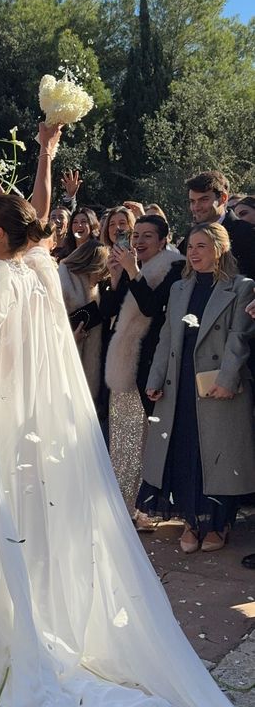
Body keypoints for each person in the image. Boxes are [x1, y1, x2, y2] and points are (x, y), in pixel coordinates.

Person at [0, 96, 255, 707]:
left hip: (2, 439)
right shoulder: (36, 266)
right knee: (49, 538)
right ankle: (43, 629)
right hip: (50, 436)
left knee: (6, 541)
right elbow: (35, 211)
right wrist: (43, 148)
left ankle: (22, 646)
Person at [138, 222, 255, 552]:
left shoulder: (242, 287)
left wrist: (227, 379)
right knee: (185, 451)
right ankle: (191, 521)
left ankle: (218, 523)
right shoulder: (179, 287)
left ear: (219, 248)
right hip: (181, 384)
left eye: (201, 245)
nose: (193, 252)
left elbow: (239, 337)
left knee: (216, 454)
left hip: (217, 384)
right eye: (190, 245)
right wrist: (156, 378)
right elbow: (166, 338)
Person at [104, 216, 182, 526]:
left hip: (150, 364)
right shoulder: (129, 267)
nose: (139, 240)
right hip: (121, 362)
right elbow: (106, 311)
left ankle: (143, 508)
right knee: (121, 439)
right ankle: (120, 505)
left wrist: (133, 271)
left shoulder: (173, 267)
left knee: (145, 441)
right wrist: (114, 278)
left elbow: (152, 306)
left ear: (163, 240)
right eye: (136, 234)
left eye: (148, 235)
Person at [58, 241, 110, 405]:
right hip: (64, 366)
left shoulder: (92, 286)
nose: (103, 274)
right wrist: (71, 338)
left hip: (86, 368)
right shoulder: (64, 282)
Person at [181, 171, 255, 278]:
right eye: (192, 201)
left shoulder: (247, 234)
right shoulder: (191, 235)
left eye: (204, 200)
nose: (196, 207)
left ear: (223, 198)